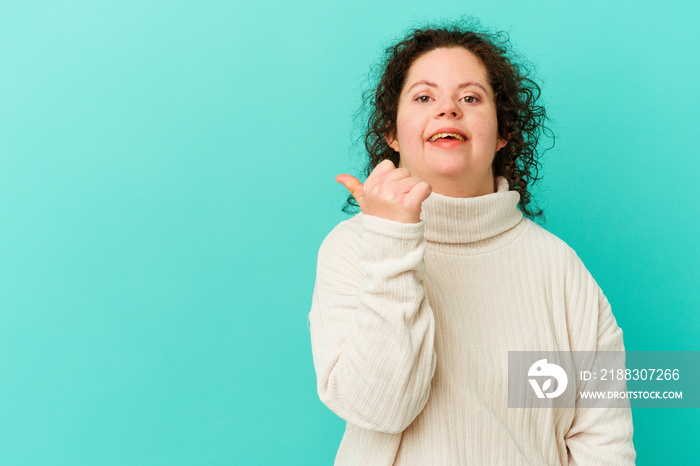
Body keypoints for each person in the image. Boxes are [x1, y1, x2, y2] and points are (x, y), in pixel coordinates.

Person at [308, 21, 635, 465]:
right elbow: (381, 409)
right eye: (424, 97)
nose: (448, 110)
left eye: (470, 98)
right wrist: (392, 240)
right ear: (392, 133)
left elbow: (604, 444)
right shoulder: (353, 247)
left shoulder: (560, 268)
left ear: (503, 133)